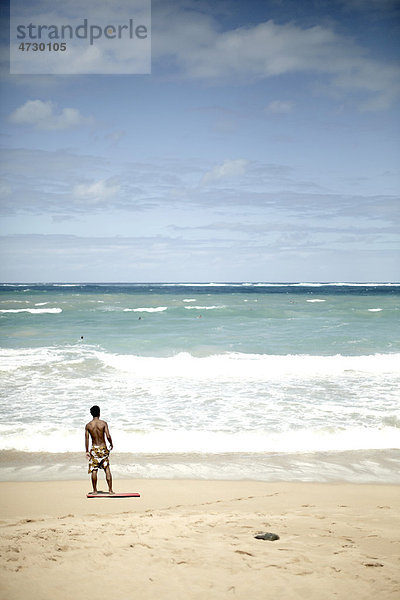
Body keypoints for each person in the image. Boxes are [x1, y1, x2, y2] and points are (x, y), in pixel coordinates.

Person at [85, 405, 114, 494]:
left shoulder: (88, 425)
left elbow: (87, 439)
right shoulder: (103, 423)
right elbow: (108, 436)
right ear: (99, 413)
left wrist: (86, 451)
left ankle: (94, 491)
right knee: (107, 468)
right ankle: (110, 490)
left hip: (94, 449)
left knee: (94, 469)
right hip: (103, 448)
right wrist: (111, 443)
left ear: (91, 414)